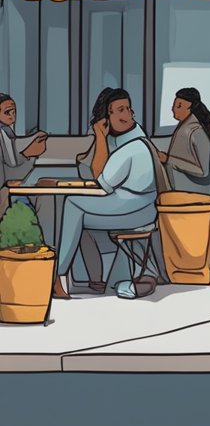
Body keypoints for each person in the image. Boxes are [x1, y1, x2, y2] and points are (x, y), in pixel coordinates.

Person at [54, 88, 161, 300]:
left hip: (137, 207)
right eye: (120, 110)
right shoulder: (121, 141)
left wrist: (100, 137)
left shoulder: (132, 147)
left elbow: (101, 181)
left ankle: (58, 275)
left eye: (128, 109)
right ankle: (95, 278)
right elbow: (90, 166)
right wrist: (100, 138)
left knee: (73, 206)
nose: (127, 114)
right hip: (132, 205)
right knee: (77, 216)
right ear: (106, 117)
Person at [158, 88, 210, 195]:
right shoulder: (184, 127)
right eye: (174, 105)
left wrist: (168, 159)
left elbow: (202, 170)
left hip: (195, 194)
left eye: (179, 106)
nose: (173, 109)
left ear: (191, 108)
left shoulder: (196, 131)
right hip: (183, 190)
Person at [0, 93, 46, 188]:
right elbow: (12, 171)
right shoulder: (3, 133)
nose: (12, 117)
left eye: (14, 112)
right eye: (7, 112)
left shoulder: (7, 132)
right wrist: (30, 154)